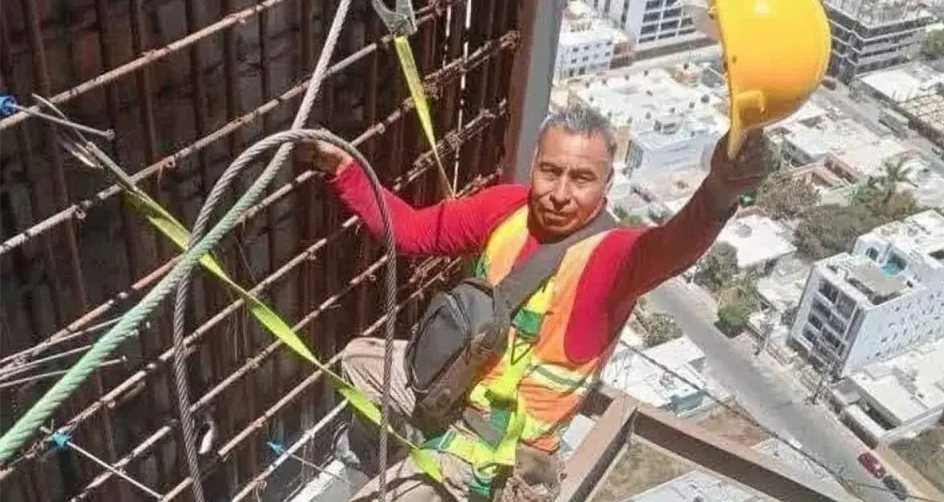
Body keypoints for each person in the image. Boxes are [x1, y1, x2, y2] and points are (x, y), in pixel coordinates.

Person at [303, 103, 770, 501]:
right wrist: (343, 168)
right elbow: (407, 230)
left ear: (607, 184)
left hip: (495, 449)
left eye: (582, 178)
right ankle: (378, 458)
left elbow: (672, 245)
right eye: (551, 171)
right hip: (452, 393)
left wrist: (719, 192)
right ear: (534, 168)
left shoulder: (613, 258)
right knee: (357, 362)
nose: (561, 193)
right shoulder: (507, 209)